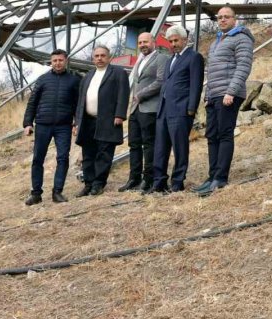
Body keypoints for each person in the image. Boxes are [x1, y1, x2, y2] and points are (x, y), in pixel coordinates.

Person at [195, 6, 254, 196]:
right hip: (214, 95)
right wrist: (207, 95)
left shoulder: (242, 38)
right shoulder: (216, 42)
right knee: (212, 136)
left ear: (234, 19)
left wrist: (231, 91)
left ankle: (220, 178)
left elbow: (243, 67)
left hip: (229, 94)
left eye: (226, 17)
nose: (222, 20)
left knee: (224, 134)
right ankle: (212, 176)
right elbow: (212, 72)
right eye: (219, 17)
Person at [22, 49, 81, 205]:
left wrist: (77, 122)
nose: (57, 63)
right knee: (37, 159)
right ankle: (36, 194)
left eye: (60, 60)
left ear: (66, 61)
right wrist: (28, 123)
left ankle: (57, 192)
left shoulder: (74, 80)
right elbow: (32, 103)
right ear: (51, 62)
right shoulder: (42, 80)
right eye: (54, 60)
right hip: (42, 125)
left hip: (64, 126)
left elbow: (78, 105)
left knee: (62, 158)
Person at [151, 25, 204, 194]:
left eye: (176, 40)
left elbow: (196, 85)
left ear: (184, 40)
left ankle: (177, 183)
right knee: (160, 148)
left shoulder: (193, 57)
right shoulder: (169, 60)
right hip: (164, 111)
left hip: (181, 110)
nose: (173, 44)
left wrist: (191, 109)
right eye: (170, 41)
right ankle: (158, 183)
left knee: (180, 148)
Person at [74, 45, 129, 196]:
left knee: (104, 154)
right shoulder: (88, 76)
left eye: (103, 55)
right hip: (88, 121)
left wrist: (120, 115)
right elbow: (81, 101)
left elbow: (123, 95)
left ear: (109, 57)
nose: (99, 58)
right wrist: (77, 122)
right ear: (93, 59)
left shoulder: (118, 73)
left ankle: (98, 184)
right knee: (88, 153)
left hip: (108, 120)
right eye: (96, 56)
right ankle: (88, 184)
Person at [119, 32, 169, 192]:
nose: (142, 45)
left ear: (153, 42)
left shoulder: (161, 58)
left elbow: (161, 81)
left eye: (145, 42)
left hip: (149, 108)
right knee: (134, 144)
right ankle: (134, 178)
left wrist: (141, 94)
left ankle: (149, 178)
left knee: (149, 144)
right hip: (135, 109)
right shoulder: (139, 60)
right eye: (140, 42)